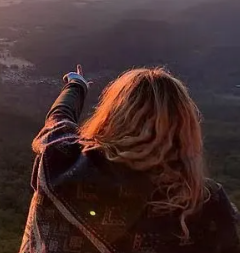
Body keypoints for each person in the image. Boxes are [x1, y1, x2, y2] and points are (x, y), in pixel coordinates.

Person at [20, 66, 240, 253]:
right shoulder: (206, 205)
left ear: (112, 117)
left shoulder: (62, 164)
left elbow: (59, 118)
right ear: (185, 130)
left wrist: (76, 85)